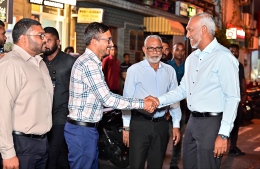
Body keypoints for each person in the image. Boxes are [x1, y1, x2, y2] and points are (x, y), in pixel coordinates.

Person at [151, 12, 240, 169]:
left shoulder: (223, 57)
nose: (187, 35)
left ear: (203, 30)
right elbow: (183, 89)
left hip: (212, 123)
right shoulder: (191, 59)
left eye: (190, 30)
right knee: (189, 165)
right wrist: (159, 100)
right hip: (192, 121)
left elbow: (232, 97)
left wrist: (223, 134)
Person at [64, 22, 156, 169]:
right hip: (82, 132)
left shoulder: (93, 62)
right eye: (108, 40)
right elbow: (107, 98)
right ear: (94, 41)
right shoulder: (89, 63)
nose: (111, 44)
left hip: (86, 130)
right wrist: (142, 103)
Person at [122, 35, 181, 169]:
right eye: (151, 48)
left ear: (163, 50)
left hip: (161, 126)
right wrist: (126, 127)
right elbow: (127, 100)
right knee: (136, 165)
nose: (155, 52)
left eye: (158, 48)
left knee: (156, 165)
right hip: (139, 125)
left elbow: (174, 98)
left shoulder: (169, 71)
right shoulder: (134, 70)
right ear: (144, 49)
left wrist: (176, 125)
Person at [0, 18, 53, 169]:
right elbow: (2, 110)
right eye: (40, 35)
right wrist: (8, 153)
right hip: (21, 145)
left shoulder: (39, 63)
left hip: (42, 143)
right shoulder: (11, 64)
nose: (44, 39)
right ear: (23, 38)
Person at [41, 27, 76, 169]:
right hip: (42, 115)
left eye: (49, 40)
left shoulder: (70, 62)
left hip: (61, 115)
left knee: (52, 153)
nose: (45, 44)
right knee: (60, 155)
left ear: (58, 42)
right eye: (43, 40)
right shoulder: (38, 61)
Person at [167, 43, 186, 169]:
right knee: (164, 134)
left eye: (181, 50)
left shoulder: (188, 66)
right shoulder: (167, 66)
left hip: (183, 104)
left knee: (178, 133)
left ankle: (174, 163)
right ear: (172, 51)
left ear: (184, 52)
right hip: (167, 104)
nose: (179, 52)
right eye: (176, 49)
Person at [228, 44, 247, 156]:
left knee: (235, 124)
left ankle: (232, 146)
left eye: (235, 51)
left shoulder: (239, 66)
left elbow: (242, 80)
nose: (234, 53)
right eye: (231, 51)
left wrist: (244, 94)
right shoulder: (224, 64)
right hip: (225, 100)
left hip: (236, 99)